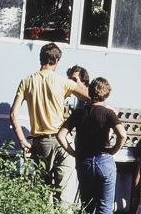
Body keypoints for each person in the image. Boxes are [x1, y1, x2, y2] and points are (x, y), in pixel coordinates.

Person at [10, 42, 89, 204]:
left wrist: (23, 141)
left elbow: (13, 114)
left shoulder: (26, 82)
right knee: (65, 193)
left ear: (41, 59)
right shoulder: (62, 82)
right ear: (57, 60)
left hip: (39, 143)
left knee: (43, 194)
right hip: (61, 141)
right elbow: (91, 98)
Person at [57, 77, 127, 214]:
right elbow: (122, 135)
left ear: (89, 92)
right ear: (107, 95)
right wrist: (114, 150)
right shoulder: (108, 113)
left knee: (87, 206)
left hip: (84, 162)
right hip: (104, 160)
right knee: (105, 207)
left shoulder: (79, 113)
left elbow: (61, 135)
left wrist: (73, 152)